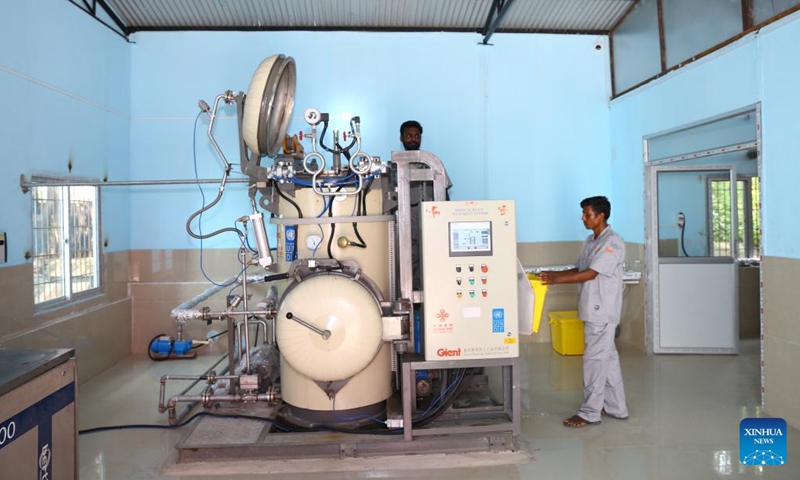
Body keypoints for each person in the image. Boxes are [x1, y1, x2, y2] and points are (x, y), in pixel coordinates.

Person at [539, 196, 628, 428]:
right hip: (593, 310)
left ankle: (590, 412)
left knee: (594, 362)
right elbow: (580, 267)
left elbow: (591, 273)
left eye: (587, 214)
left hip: (602, 312)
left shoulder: (613, 243)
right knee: (606, 360)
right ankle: (617, 407)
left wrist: (556, 280)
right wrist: (551, 273)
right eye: (583, 214)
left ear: (601, 216)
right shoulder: (591, 240)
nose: (583, 218)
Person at [399, 120, 451, 290]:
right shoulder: (396, 167)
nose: (413, 139)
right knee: (408, 268)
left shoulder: (433, 164)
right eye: (409, 136)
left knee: (433, 264)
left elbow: (445, 195)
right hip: (407, 229)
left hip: (432, 227)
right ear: (402, 138)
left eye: (416, 136)